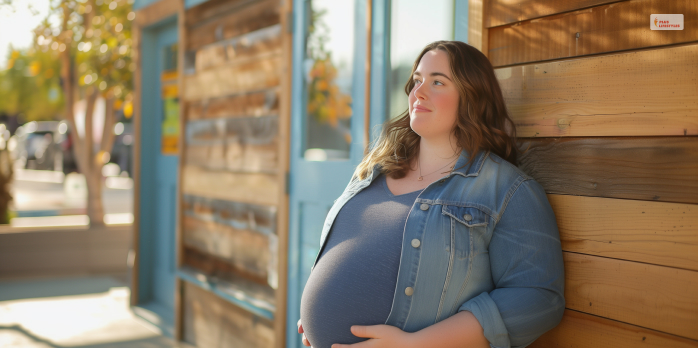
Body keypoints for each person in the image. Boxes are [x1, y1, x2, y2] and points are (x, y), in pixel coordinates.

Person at [297, 40, 565, 348]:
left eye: (437, 82)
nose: (418, 92)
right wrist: (319, 312)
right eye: (417, 81)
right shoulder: (374, 168)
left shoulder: (507, 190)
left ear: (472, 97)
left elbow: (538, 298)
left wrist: (415, 344)